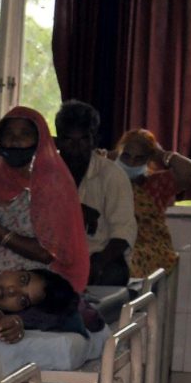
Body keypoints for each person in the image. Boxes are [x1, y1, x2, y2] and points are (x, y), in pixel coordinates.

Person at [0, 105, 90, 288]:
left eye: (25, 134)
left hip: (35, 285)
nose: (15, 140)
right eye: (8, 134)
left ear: (39, 141)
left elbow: (46, 253)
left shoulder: (52, 184)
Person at [55, 100, 137, 287]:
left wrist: (97, 263)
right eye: (69, 140)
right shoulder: (46, 175)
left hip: (101, 258)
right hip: (55, 259)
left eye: (83, 139)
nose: (76, 147)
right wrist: (76, 212)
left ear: (94, 141)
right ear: (58, 140)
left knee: (110, 275)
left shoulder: (112, 176)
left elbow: (123, 234)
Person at [113, 127, 191, 281]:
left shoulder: (157, 183)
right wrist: (111, 155)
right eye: (126, 156)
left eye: (139, 158)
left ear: (148, 159)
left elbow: (190, 171)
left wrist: (162, 154)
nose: (131, 163)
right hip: (113, 243)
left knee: (126, 261)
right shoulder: (107, 180)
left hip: (148, 249)